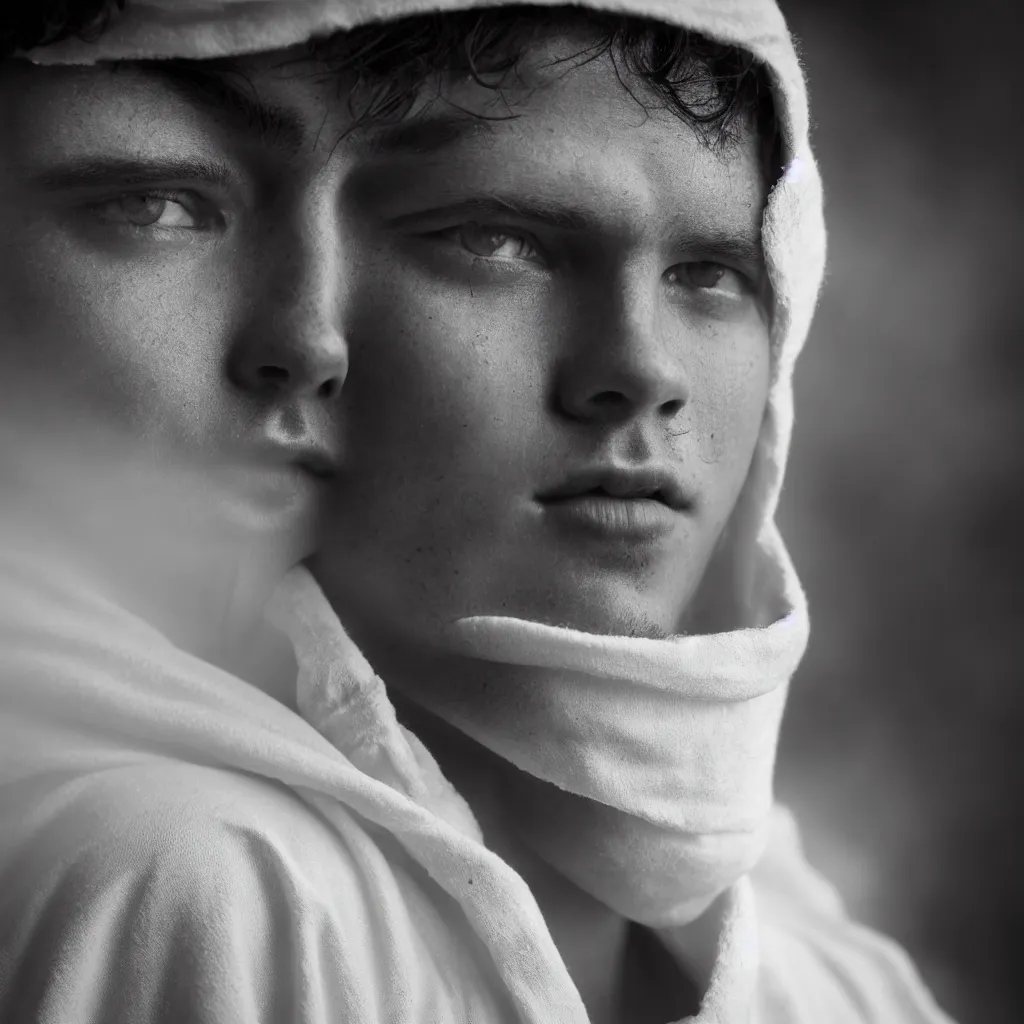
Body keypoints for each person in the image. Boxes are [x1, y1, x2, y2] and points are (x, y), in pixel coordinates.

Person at [0, 1, 957, 1022]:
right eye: (503, 243)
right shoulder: (199, 881)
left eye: (707, 274)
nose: (640, 372)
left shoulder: (832, 972)